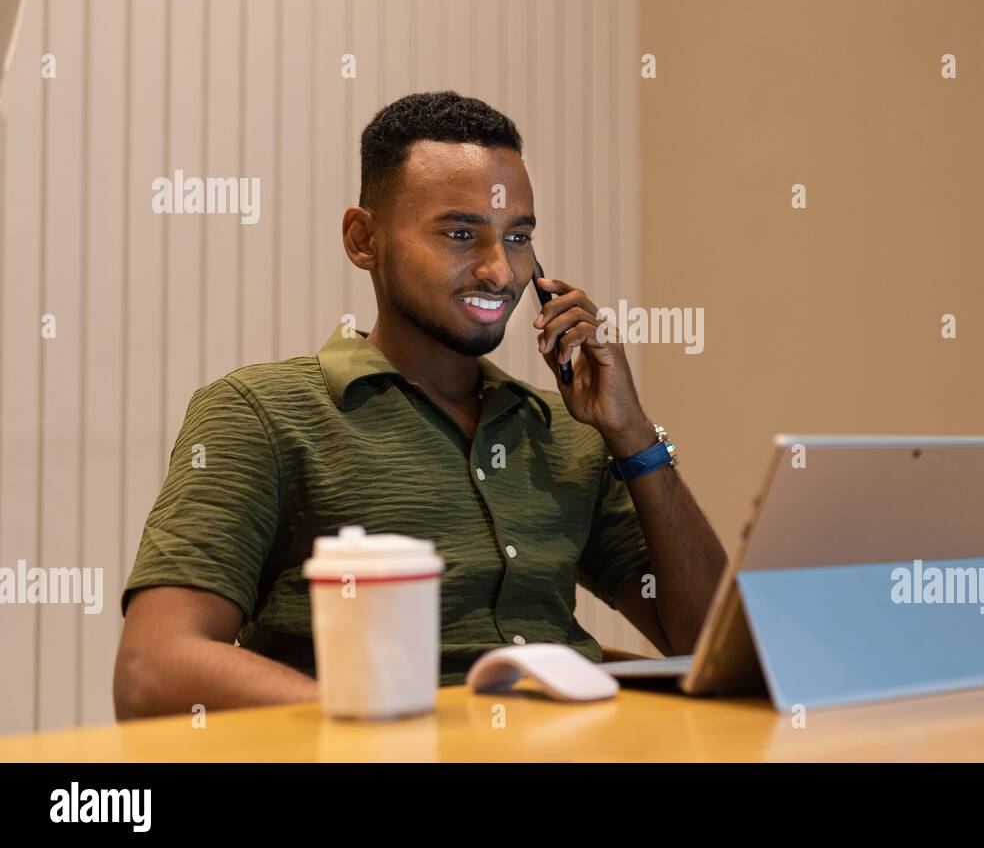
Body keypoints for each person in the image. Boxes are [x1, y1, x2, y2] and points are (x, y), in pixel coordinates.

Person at [113, 91, 727, 719]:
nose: (500, 272)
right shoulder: (260, 413)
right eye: (461, 234)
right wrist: (399, 729)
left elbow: (710, 646)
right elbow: (154, 669)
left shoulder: (567, 434)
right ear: (363, 240)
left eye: (518, 238)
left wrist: (633, 436)